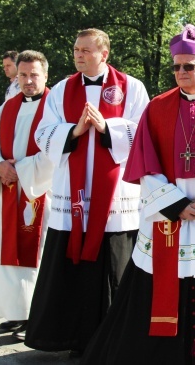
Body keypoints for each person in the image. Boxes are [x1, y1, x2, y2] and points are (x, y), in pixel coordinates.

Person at [80, 24, 195, 364]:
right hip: (169, 219)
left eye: (188, 66)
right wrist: (176, 204)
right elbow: (145, 166)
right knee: (163, 291)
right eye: (176, 67)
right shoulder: (157, 107)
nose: (181, 72)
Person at [25, 28, 150, 357]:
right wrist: (75, 130)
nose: (78, 54)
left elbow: (144, 132)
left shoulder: (132, 87)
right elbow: (43, 133)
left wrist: (107, 127)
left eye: (86, 50)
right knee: (75, 267)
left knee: (116, 266)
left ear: (104, 54)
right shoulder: (62, 89)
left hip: (116, 198)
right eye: (76, 49)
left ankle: (119, 340)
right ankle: (76, 339)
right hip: (73, 193)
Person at [0, 50, 53, 342]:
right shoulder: (7, 108)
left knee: (35, 253)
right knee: (4, 251)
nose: (27, 80)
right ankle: (15, 311)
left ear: (45, 75)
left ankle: (34, 315)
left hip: (39, 193)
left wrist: (20, 170)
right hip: (6, 193)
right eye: (22, 75)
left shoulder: (55, 107)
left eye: (34, 74)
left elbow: (56, 150)